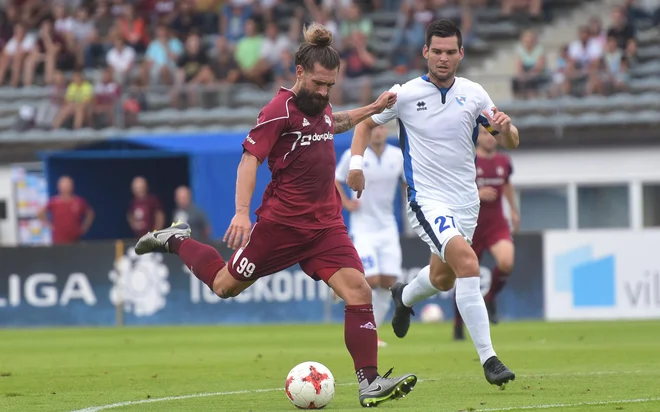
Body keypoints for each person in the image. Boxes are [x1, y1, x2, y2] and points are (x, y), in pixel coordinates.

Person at [134, 23, 417, 407]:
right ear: (299, 72)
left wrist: (372, 108)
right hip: (280, 226)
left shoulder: (320, 105)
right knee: (223, 286)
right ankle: (177, 239)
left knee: (358, 289)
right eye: (318, 83)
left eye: (330, 85)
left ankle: (369, 383)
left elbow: (333, 124)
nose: (323, 92)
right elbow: (249, 159)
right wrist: (240, 213)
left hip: (325, 226)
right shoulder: (278, 109)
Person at [346, 19, 518, 387]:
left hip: (465, 201)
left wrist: (505, 128)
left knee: (443, 277)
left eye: (449, 52)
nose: (443, 58)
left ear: (460, 54)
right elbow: (363, 124)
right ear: (425, 52)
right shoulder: (405, 94)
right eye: (436, 51)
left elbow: (508, 140)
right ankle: (490, 359)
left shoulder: (473, 94)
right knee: (468, 263)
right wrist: (356, 165)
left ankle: (404, 297)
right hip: (426, 199)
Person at [335, 124, 404, 348]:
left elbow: (408, 182)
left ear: (387, 130)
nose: (378, 131)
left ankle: (372, 332)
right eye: (373, 127)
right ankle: (341, 287)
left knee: (388, 282)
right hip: (363, 227)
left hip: (387, 226)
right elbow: (335, 179)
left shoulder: (397, 155)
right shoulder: (353, 156)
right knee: (371, 280)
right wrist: (345, 202)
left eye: (382, 127)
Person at [453, 126, 519, 341]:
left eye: (492, 134)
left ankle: (490, 298)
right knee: (465, 276)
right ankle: (458, 326)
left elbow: (507, 185)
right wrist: (477, 193)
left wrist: (514, 210)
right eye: (483, 134)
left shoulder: (504, 161)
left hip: (496, 223)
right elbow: (456, 190)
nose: (489, 138)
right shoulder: (468, 161)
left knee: (507, 262)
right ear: (476, 137)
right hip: (472, 224)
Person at [38, 176, 95, 245]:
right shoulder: (54, 202)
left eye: (68, 185)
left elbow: (90, 213)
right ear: (59, 187)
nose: (66, 187)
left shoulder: (79, 201)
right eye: (64, 185)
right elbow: (40, 213)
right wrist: (49, 225)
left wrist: (84, 227)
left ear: (72, 186)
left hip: (75, 239)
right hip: (59, 241)